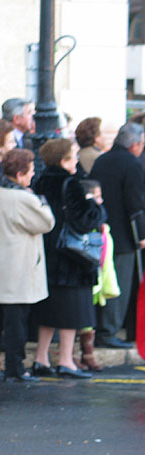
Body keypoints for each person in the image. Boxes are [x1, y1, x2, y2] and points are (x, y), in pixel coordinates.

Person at [0, 149, 55, 382]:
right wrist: (42, 201)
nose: (33, 175)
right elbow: (46, 222)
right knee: (16, 323)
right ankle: (15, 369)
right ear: (19, 173)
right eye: (30, 171)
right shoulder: (24, 199)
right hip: (16, 270)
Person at [32, 139, 106, 378]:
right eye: (73, 156)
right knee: (71, 312)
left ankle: (41, 359)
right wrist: (96, 206)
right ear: (64, 160)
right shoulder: (70, 183)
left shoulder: (39, 180)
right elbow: (85, 219)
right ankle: (66, 361)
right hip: (71, 257)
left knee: (48, 312)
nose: (76, 160)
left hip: (45, 254)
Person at [89, 122, 145, 348]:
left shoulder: (102, 159)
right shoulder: (132, 164)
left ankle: (103, 328)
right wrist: (141, 234)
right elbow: (136, 204)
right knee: (119, 285)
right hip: (123, 236)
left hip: (101, 230)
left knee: (104, 282)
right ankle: (109, 331)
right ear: (133, 145)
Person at [79, 179, 119, 371]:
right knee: (80, 315)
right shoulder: (85, 217)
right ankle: (79, 354)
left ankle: (87, 354)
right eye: (96, 197)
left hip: (98, 272)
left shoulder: (100, 221)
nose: (100, 201)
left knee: (90, 315)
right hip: (84, 271)